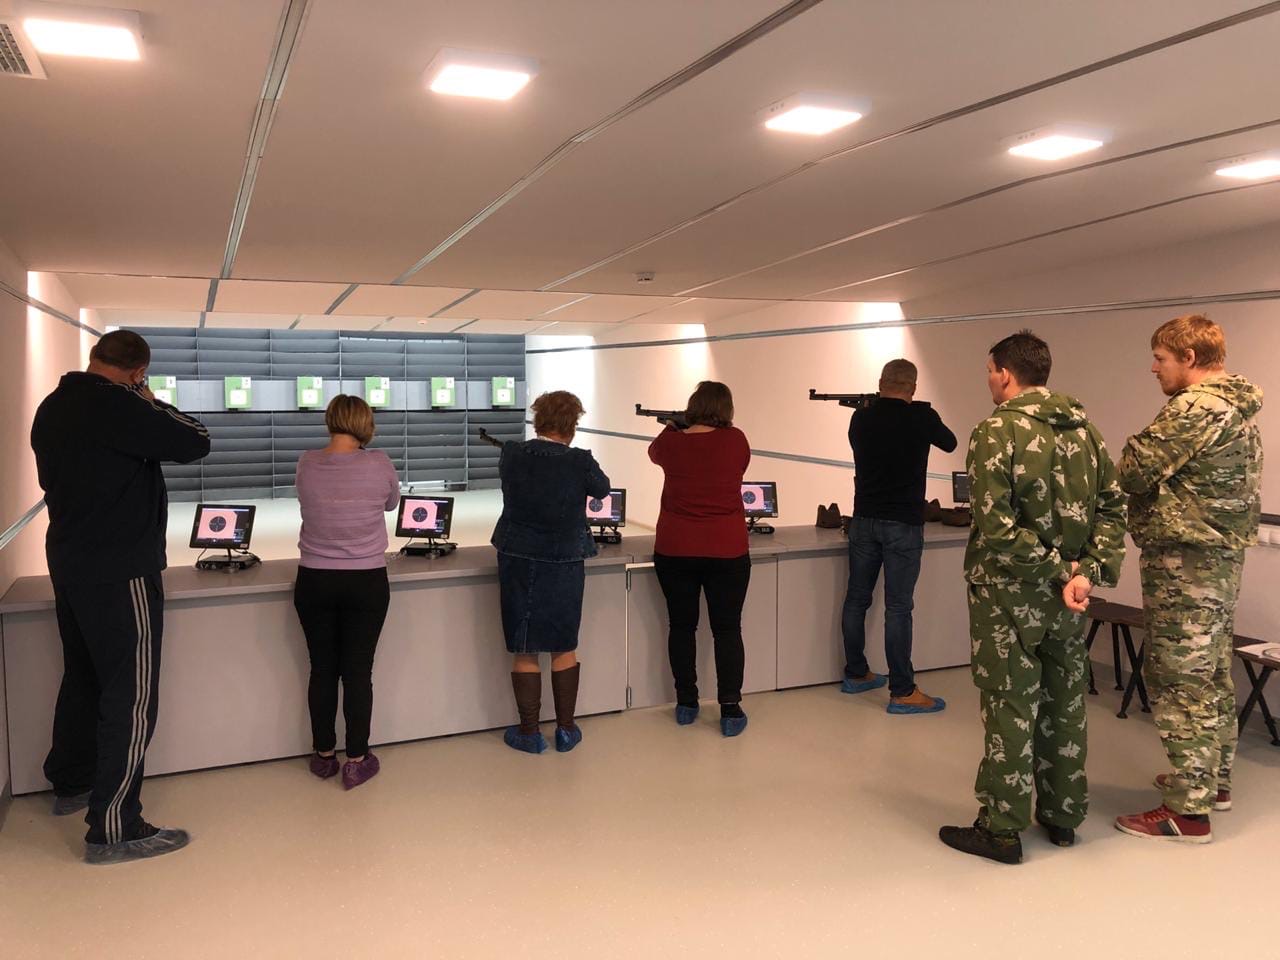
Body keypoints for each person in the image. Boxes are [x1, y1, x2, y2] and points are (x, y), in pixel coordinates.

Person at [939, 330, 1126, 864]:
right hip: (1068, 599)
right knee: (1065, 701)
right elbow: (1113, 510)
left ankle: (1001, 829)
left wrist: (1055, 569)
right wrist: (1085, 573)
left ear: (1005, 373)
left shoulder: (995, 431)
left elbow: (995, 525)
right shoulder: (1086, 431)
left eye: (989, 372)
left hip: (1007, 596)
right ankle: (1063, 817)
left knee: (1009, 704)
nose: (988, 380)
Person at [31, 330, 210, 864]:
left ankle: (72, 781)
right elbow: (196, 440)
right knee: (131, 696)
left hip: (70, 563)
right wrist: (150, 399)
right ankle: (114, 827)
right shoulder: (122, 406)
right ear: (138, 373)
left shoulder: (53, 406)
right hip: (122, 568)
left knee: (83, 677)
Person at [1113, 314, 1262, 843]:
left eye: (1160, 358)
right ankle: (1212, 782)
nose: (1154, 368)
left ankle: (1187, 811)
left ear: (1189, 358)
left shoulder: (1195, 407)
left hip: (1186, 565)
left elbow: (1133, 470)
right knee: (1211, 671)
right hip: (1216, 561)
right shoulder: (1236, 407)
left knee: (1180, 677)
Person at [491, 390, 610, 754]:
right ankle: (566, 730)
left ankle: (529, 733)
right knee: (563, 643)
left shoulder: (512, 453)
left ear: (538, 420)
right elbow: (602, 489)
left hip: (518, 557)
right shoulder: (579, 460)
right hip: (564, 560)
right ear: (572, 425)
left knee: (525, 646)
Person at [293, 395, 400, 790]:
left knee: (322, 669)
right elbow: (391, 503)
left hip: (314, 579)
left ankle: (324, 756)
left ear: (330, 420)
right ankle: (356, 759)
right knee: (357, 672)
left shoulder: (306, 462)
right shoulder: (379, 462)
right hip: (365, 580)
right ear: (365, 424)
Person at [839, 358, 957, 713]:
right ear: (913, 387)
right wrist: (922, 413)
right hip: (903, 524)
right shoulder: (922, 417)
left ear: (880, 383)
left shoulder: (861, 418)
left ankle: (856, 673)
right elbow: (950, 443)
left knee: (856, 599)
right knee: (898, 608)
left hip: (863, 519)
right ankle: (902, 691)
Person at [648, 381, 753, 737]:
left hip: (676, 548)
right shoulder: (736, 440)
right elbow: (739, 464)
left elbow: (654, 452)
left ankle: (686, 703)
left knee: (681, 627)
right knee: (728, 629)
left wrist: (673, 426)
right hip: (728, 549)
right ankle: (730, 708)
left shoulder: (672, 442)